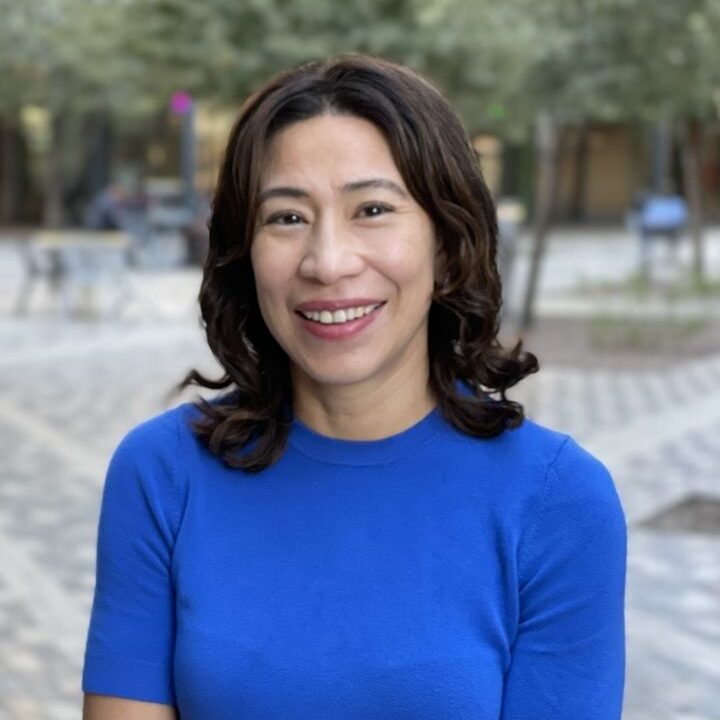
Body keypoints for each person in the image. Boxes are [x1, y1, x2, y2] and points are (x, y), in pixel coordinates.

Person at [82, 54, 627, 719]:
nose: (328, 262)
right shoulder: (162, 475)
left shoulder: (558, 500)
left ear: (448, 244)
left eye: (372, 209)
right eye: (286, 217)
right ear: (243, 251)